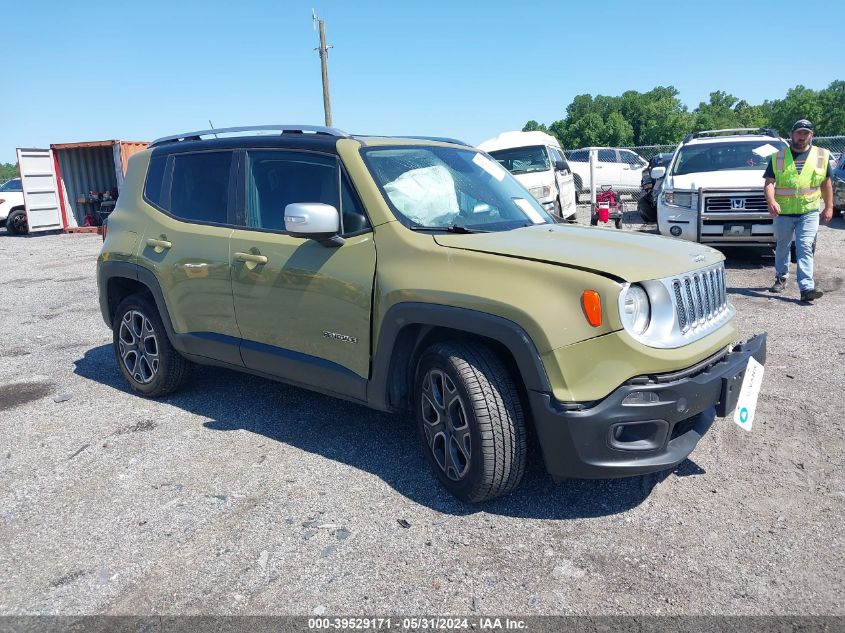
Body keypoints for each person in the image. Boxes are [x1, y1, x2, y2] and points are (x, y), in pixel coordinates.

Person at [764, 119, 834, 302]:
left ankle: (806, 288)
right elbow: (769, 183)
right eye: (799, 133)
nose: (802, 137)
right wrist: (771, 200)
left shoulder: (822, 155)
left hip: (808, 211)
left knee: (804, 246)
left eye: (806, 133)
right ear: (791, 134)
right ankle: (781, 278)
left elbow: (826, 184)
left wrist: (829, 207)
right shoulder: (778, 157)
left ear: (811, 135)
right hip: (783, 212)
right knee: (782, 246)